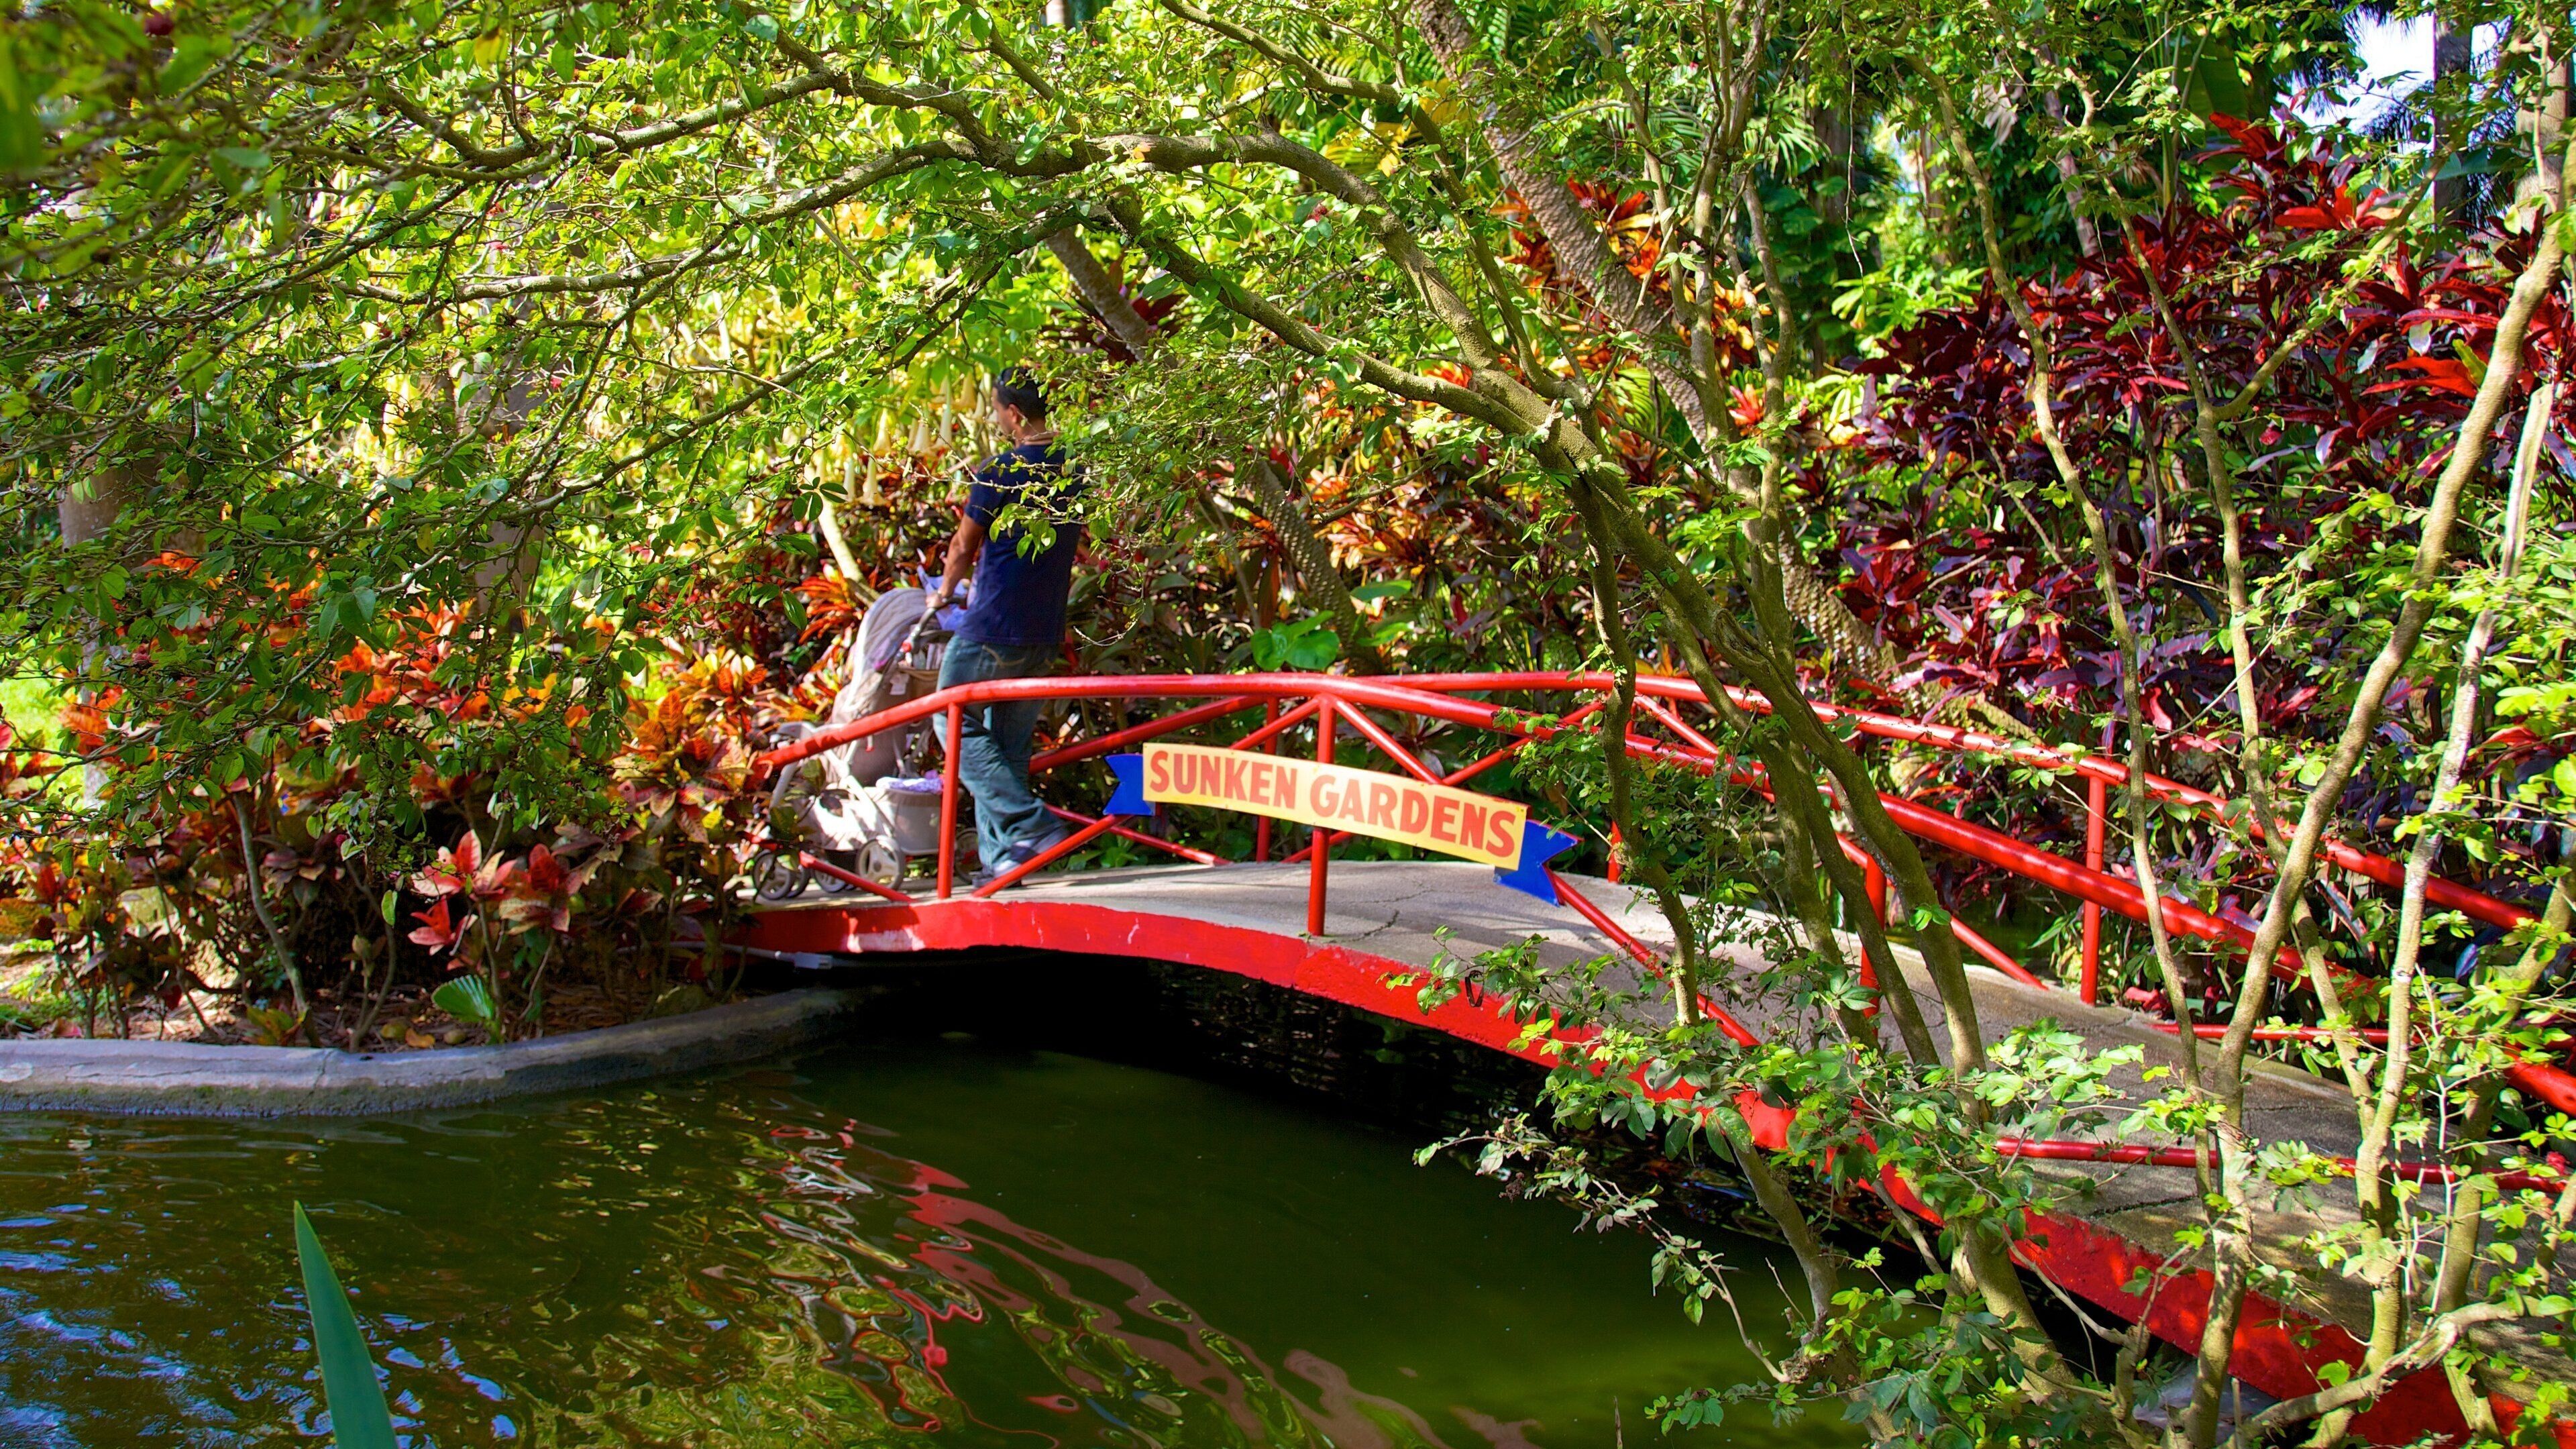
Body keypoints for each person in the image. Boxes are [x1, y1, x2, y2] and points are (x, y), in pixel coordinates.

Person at [926, 368, 1082, 881]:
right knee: (1008, 748)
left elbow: (962, 547)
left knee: (948, 719)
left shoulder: (1000, 470)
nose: (996, 418)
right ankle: (1004, 862)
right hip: (1043, 632)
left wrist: (944, 595)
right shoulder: (1073, 468)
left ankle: (1029, 823)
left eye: (996, 409)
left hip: (992, 629)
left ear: (1013, 414)